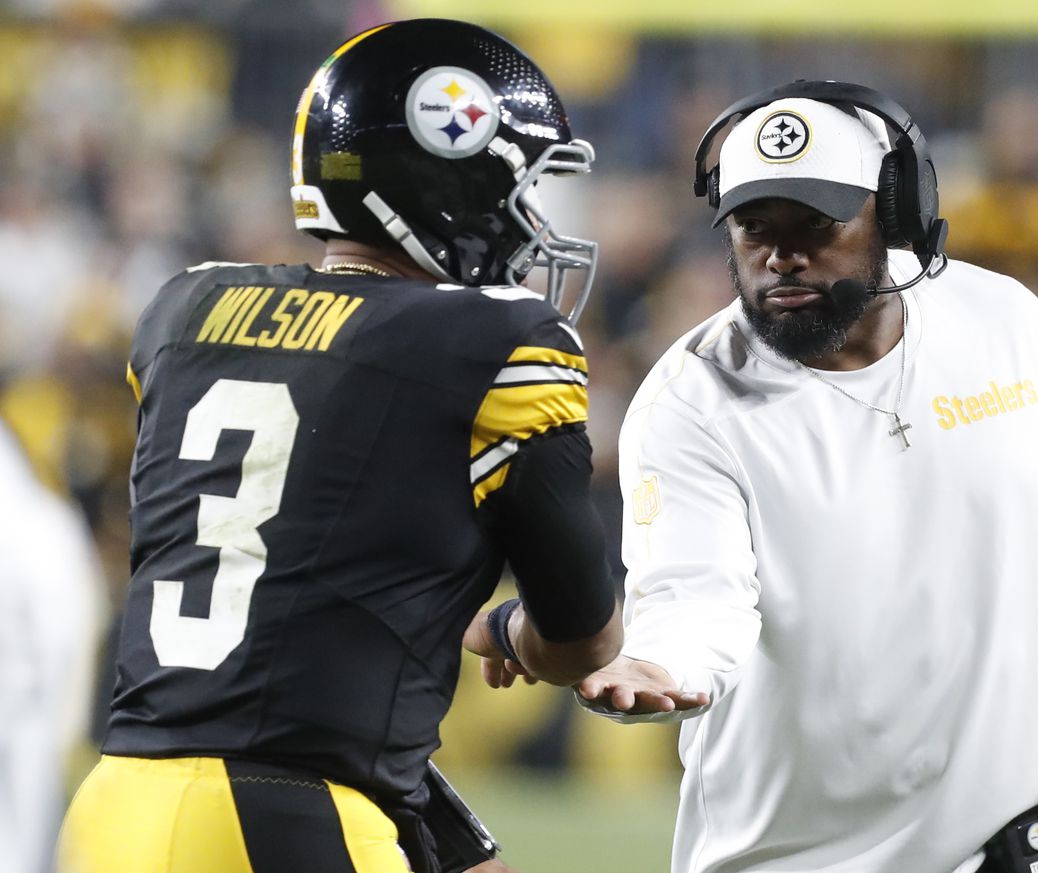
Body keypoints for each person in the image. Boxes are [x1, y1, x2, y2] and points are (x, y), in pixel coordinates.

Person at [567, 81, 1038, 873]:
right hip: (790, 854)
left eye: (814, 225)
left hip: (1018, 832)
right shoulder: (690, 403)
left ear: (895, 214)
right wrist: (664, 663)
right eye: (754, 227)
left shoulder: (1008, 325)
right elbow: (698, 596)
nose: (782, 255)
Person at [57, 19, 625, 873]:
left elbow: (293, 600)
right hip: (273, 812)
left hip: (117, 804)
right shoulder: (496, 343)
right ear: (449, 177)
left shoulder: (185, 308)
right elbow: (585, 637)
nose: (530, 222)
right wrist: (509, 632)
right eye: (519, 188)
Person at [1, 422, 104, 873]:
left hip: (24, 718)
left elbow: (71, 628)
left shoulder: (40, 524)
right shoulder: (44, 522)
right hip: (28, 717)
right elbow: (75, 626)